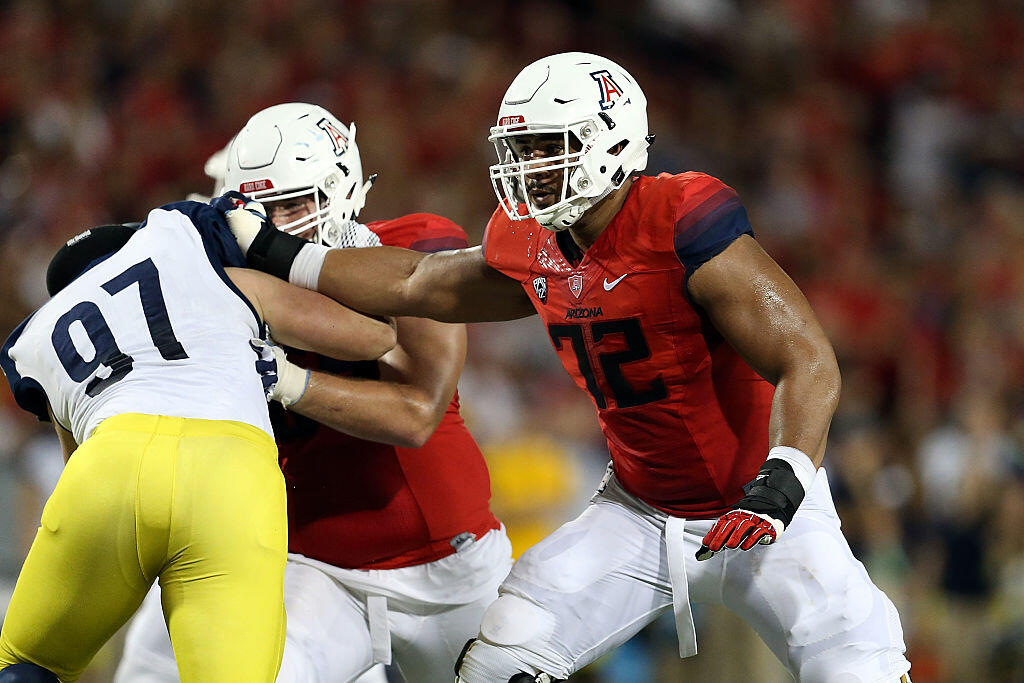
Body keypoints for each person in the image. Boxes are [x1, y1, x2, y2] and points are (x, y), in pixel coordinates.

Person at [225, 54, 914, 682]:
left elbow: (806, 357)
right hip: (640, 511)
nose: (530, 167)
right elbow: (417, 281)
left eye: (548, 146)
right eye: (521, 149)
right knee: (501, 659)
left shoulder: (678, 219)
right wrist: (281, 254)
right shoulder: (531, 242)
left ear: (612, 141)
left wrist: (784, 477)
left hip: (761, 506)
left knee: (860, 668)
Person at [114, 103, 513, 683]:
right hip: (316, 569)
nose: (275, 226)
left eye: (294, 204)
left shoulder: (407, 249)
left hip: (450, 568)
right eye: (260, 211)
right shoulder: (228, 289)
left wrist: (285, 379)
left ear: (341, 190)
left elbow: (416, 414)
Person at [0, 202, 395, 683]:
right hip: (231, 471)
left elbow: (75, 466)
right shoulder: (195, 262)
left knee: (25, 664)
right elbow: (372, 340)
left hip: (110, 466)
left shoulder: (41, 334)